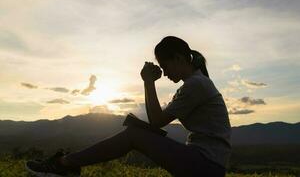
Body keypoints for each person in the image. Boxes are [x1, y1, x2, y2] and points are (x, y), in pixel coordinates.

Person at [25, 36, 231, 177]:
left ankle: (64, 165)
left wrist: (148, 82)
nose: (165, 73)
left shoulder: (196, 84)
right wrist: (148, 83)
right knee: (135, 132)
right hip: (205, 162)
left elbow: (157, 120)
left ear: (178, 58)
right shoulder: (194, 83)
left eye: (165, 66)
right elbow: (156, 120)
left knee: (134, 135)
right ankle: (66, 164)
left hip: (206, 165)